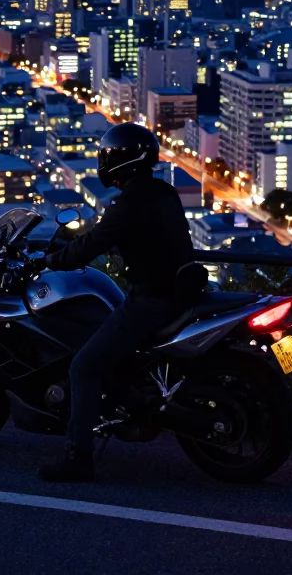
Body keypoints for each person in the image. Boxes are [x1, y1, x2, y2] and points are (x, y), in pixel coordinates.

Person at [37, 122, 204, 483]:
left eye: (107, 155)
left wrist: (50, 260)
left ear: (119, 160)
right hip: (181, 292)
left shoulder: (128, 204)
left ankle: (78, 456)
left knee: (83, 366)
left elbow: (91, 244)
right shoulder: (164, 192)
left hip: (153, 299)